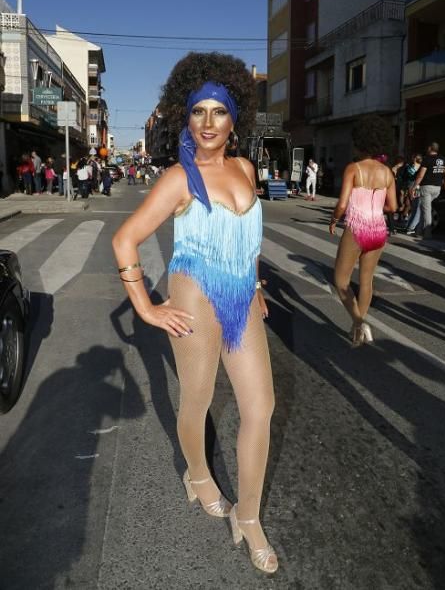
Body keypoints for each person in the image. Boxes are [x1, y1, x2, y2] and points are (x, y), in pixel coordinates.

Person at [112, 52, 277, 574]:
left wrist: (254, 284)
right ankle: (199, 474)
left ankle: (248, 518)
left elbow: (249, 239)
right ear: (185, 116)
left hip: (241, 299)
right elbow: (125, 240)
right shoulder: (177, 180)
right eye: (198, 111)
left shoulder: (246, 168)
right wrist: (147, 308)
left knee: (261, 409)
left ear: (234, 119)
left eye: (218, 111)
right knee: (198, 398)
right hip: (192, 299)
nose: (207, 123)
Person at [330, 119, 397, 347]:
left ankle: (359, 322)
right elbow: (394, 207)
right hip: (379, 229)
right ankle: (358, 328)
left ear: (360, 142)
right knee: (366, 281)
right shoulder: (387, 172)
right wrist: (377, 208)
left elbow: (341, 204)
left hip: (357, 228)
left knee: (340, 280)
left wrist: (333, 220)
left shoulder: (354, 168)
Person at [410, 142, 445, 239]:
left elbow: (421, 175)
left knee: (426, 210)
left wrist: (414, 186)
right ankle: (418, 231)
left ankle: (427, 233)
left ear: (430, 148)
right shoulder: (443, 159)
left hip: (427, 187)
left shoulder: (427, 159)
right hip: (437, 188)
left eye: (428, 147)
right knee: (424, 208)